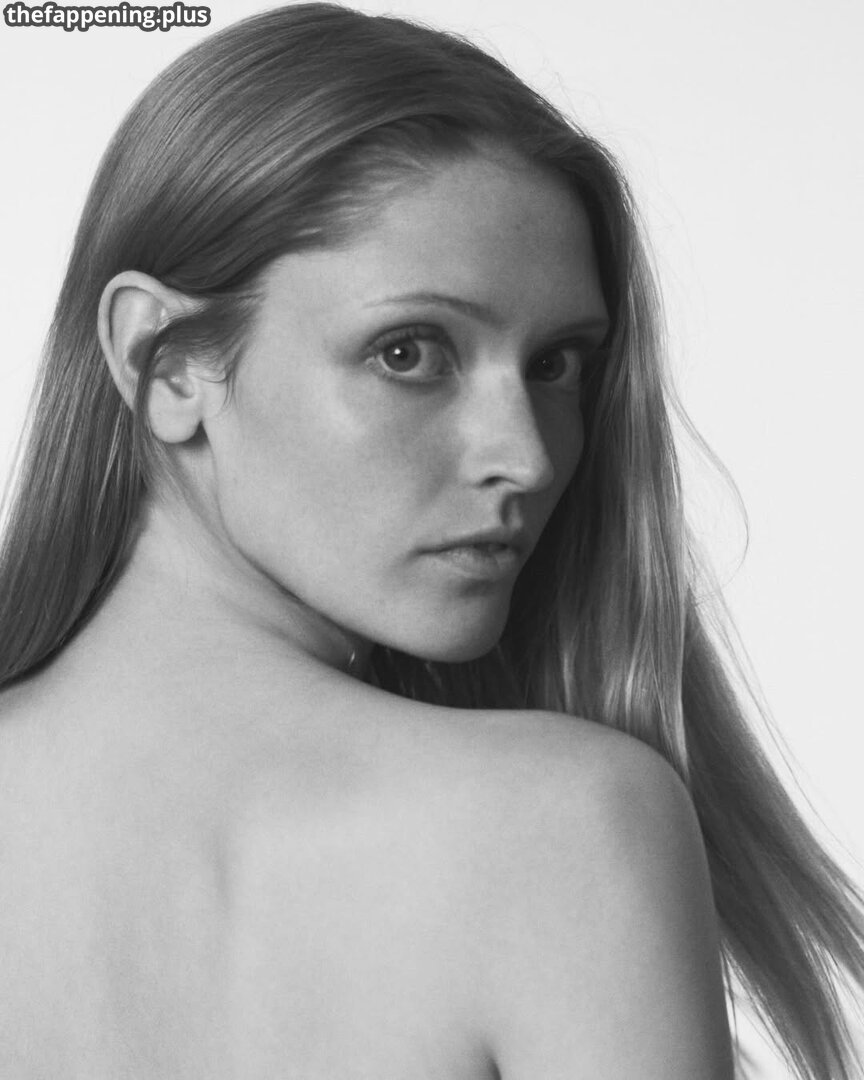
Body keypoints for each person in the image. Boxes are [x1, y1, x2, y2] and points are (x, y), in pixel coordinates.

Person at [0, 4, 860, 1077]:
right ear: (166, 363)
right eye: (410, 353)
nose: (528, 457)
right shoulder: (561, 829)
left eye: (555, 365)